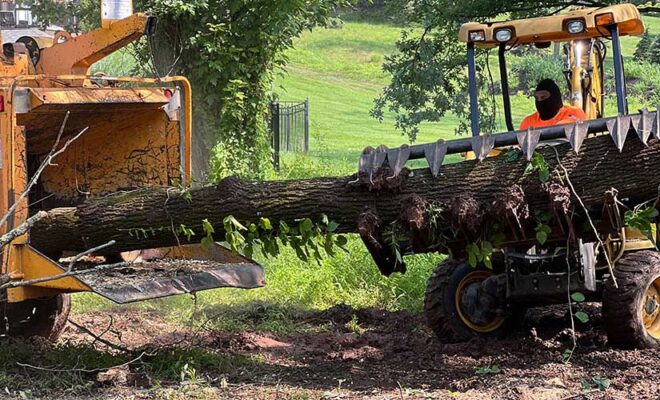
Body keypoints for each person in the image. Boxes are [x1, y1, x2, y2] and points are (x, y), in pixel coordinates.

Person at [520, 79, 586, 130]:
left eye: (543, 97)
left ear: (554, 97)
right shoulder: (528, 122)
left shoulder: (573, 112)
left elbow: (564, 127)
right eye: (537, 98)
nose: (539, 101)